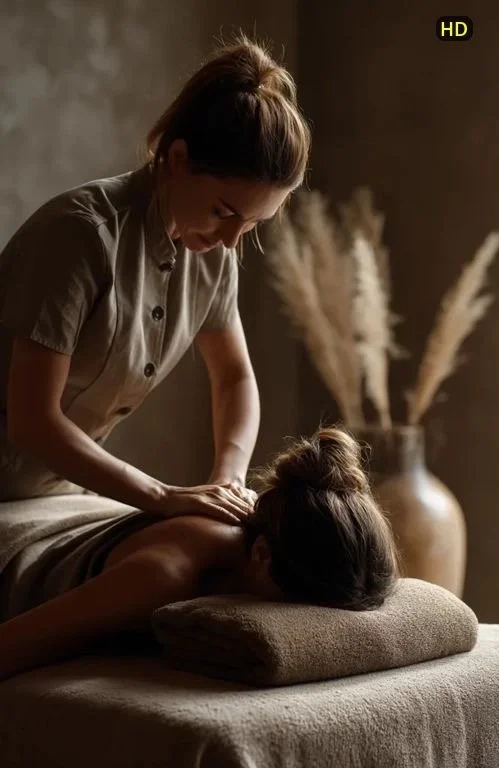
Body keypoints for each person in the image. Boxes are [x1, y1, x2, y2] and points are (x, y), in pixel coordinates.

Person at [0, 33, 311, 522]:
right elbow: (32, 422)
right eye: (223, 211)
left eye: (252, 225)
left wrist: (227, 480)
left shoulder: (212, 254)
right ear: (179, 159)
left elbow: (233, 377)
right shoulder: (80, 236)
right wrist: (163, 496)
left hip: (51, 492)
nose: (232, 240)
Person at [0, 425, 399, 681]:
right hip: (25, 544)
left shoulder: (283, 523)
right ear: (261, 555)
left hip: (87, 511)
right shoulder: (163, 576)